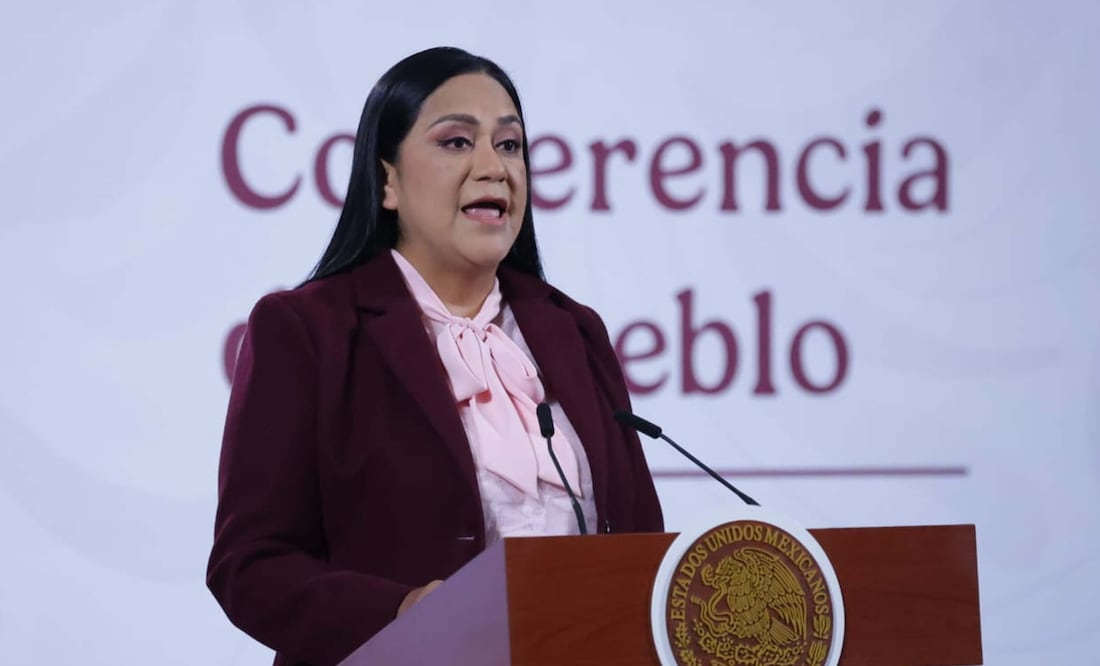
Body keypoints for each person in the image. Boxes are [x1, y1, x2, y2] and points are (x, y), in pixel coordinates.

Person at [206, 46, 664, 666]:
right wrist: (399, 614)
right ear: (387, 179)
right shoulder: (307, 330)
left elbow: (639, 547)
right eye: (456, 143)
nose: (493, 168)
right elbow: (251, 565)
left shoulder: (574, 332)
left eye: (509, 145)